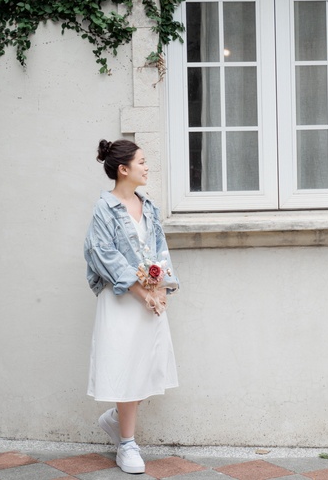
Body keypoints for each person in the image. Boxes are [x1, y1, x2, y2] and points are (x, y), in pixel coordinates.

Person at [84, 139, 180, 474]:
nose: (147, 167)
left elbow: (160, 248)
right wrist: (142, 293)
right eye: (141, 161)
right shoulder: (104, 209)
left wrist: (162, 288)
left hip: (151, 299)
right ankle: (127, 444)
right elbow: (103, 254)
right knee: (124, 368)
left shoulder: (148, 206)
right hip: (122, 299)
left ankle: (115, 418)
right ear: (123, 169)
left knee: (147, 367)